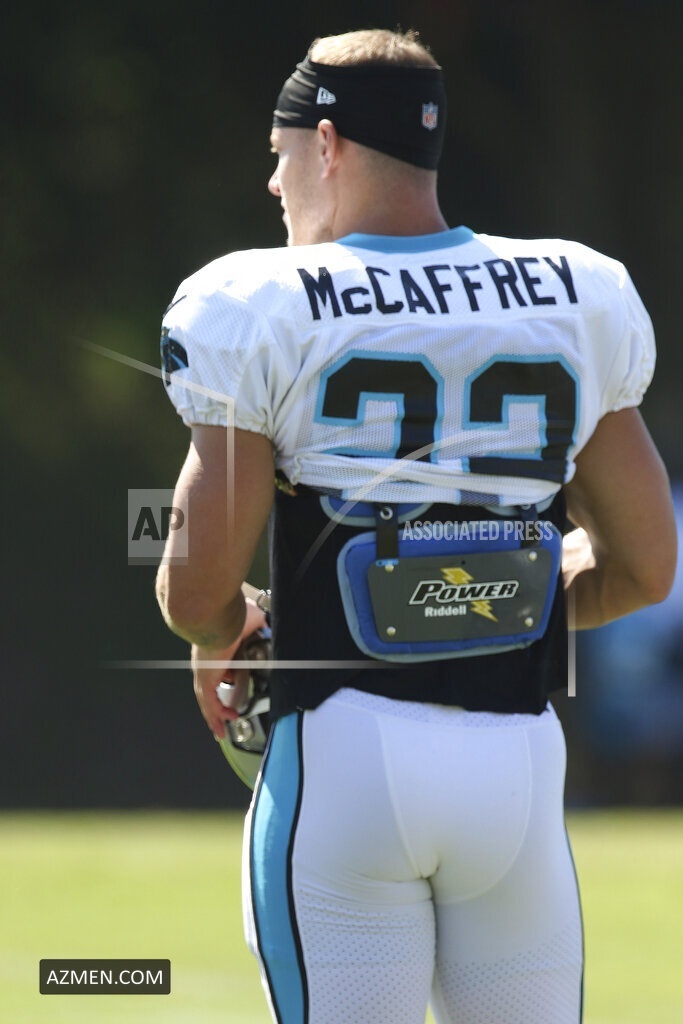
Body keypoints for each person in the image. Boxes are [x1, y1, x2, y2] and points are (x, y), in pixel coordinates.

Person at [155, 27, 676, 1024]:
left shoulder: (254, 302)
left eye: (278, 155)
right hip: (516, 766)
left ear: (326, 144)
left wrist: (225, 626)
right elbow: (645, 566)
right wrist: (478, 593)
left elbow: (195, 586)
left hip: (343, 753)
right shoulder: (573, 291)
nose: (272, 184)